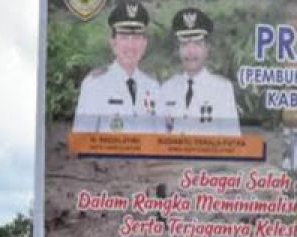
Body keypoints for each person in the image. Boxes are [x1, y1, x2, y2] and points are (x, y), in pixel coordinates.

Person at [73, 2, 162, 134]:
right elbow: (83, 142)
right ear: (113, 43)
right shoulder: (94, 85)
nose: (131, 46)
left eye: (137, 37)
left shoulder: (153, 87)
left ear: (144, 44)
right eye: (124, 37)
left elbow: (160, 142)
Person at [161, 8, 240, 136]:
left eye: (197, 44)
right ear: (178, 49)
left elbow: (232, 144)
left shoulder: (222, 90)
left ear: (207, 49)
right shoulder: (166, 89)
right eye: (185, 44)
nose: (191, 51)